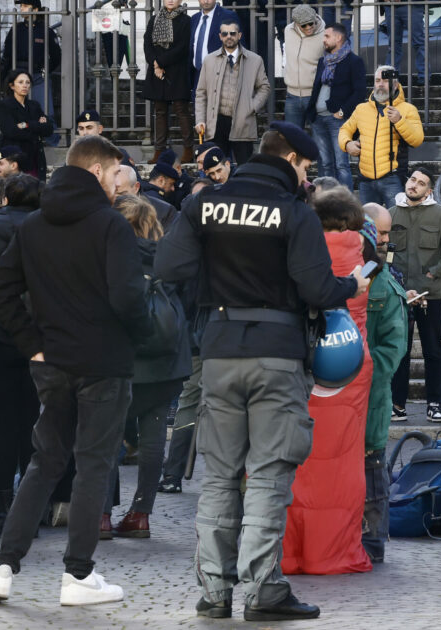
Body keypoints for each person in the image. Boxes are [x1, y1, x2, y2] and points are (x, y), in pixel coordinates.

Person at [155, 122, 367, 620]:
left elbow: (169, 267)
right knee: (270, 473)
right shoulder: (293, 212)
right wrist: (352, 286)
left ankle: (214, 591)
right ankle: (262, 590)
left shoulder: (203, 204)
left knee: (220, 476)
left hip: (220, 350)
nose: (307, 178)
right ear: (290, 159)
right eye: (306, 168)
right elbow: (318, 290)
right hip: (277, 354)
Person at [0, 135, 151, 606]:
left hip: (53, 361)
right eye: (114, 173)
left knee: (45, 463)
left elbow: (4, 290)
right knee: (92, 466)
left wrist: (33, 346)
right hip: (103, 362)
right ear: (99, 170)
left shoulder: (35, 225)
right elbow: (128, 297)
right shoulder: (110, 225)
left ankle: (4, 566)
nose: (117, 183)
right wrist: (140, 335)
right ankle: (78, 576)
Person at [282, 186, 374, 576]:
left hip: (302, 359)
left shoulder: (297, 251)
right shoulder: (366, 256)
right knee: (342, 465)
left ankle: (288, 552)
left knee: (293, 461)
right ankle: (330, 552)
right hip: (350, 363)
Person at [102, 195, 191, 539]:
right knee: (154, 440)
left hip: (120, 359)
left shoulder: (110, 257)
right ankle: (141, 514)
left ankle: (101, 515)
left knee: (106, 439)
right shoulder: (170, 256)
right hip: (167, 362)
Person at [388, 166, 441, 422]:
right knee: (400, 351)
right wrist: (392, 281)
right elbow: (385, 252)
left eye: (420, 183)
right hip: (398, 297)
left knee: (433, 352)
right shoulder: (391, 213)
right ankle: (398, 405)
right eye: (412, 179)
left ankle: (434, 403)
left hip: (431, 296)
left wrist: (434, 273)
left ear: (429, 190)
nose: (414, 185)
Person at [360, 202, 407, 562]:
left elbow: (394, 349)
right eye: (381, 232)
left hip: (371, 395)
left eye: (389, 234)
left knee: (373, 465)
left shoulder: (388, 287)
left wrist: (362, 370)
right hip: (344, 395)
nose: (386, 241)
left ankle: (374, 541)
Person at [0, 174, 43, 533]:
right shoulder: (41, 231)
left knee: (2, 422)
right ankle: (32, 506)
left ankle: (1, 502)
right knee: (32, 421)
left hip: (0, 338)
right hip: (34, 338)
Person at [340, 65, 423, 206]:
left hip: (393, 177)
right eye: (377, 80)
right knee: (368, 226)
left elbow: (417, 140)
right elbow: (344, 130)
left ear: (395, 85)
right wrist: (347, 144)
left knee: (397, 224)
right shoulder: (361, 109)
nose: (380, 84)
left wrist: (399, 120)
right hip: (365, 180)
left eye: (385, 80)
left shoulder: (407, 109)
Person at [193, 19, 269, 166]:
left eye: (232, 33)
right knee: (216, 168)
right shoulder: (209, 60)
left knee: (244, 168)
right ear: (220, 36)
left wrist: (251, 107)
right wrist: (200, 120)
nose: (229, 36)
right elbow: (201, 93)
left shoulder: (255, 60)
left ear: (239, 35)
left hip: (242, 121)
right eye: (225, 33)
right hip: (216, 123)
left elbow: (264, 87)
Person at [305, 23, 366, 189]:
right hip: (318, 119)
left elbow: (359, 92)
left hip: (337, 120)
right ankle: (325, 199)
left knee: (341, 164)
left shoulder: (354, 61)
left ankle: (345, 201)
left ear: (338, 38)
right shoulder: (323, 61)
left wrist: (342, 112)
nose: (323, 40)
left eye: (327, 36)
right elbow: (317, 88)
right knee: (325, 164)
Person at [0, 0, 60, 146]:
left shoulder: (45, 30)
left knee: (47, 112)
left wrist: (46, 69)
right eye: (21, 6)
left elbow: (56, 55)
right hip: (18, 73)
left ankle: (53, 143)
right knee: (15, 111)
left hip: (38, 75)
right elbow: (7, 56)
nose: (22, 9)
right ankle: (17, 142)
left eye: (25, 6)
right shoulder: (17, 29)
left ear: (36, 9)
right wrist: (3, 79)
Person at [144, 0, 193, 164]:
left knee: (181, 110)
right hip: (157, 71)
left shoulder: (186, 21)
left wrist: (161, 62)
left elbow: (183, 47)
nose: (171, 0)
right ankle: (159, 150)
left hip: (177, 70)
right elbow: (147, 44)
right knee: (160, 111)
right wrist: (154, 63)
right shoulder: (154, 19)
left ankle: (188, 149)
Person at [0, 70, 51, 179]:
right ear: (12, 86)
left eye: (27, 82)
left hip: (35, 156)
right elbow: (10, 131)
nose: (25, 85)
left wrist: (25, 125)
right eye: (20, 82)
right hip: (14, 157)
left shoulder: (34, 105)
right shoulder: (4, 105)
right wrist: (37, 127)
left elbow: (48, 129)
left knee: (35, 190)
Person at [282, 5, 325, 126]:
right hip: (291, 95)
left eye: (311, 23)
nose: (309, 27)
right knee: (292, 140)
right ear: (296, 23)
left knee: (319, 139)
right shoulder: (288, 31)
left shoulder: (325, 33)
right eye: (304, 25)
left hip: (315, 95)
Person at [189, 0, 240, 91]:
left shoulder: (228, 15)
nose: (206, 1)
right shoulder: (194, 18)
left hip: (221, 73)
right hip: (197, 74)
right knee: (198, 103)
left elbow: (238, 45)